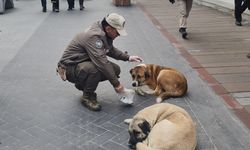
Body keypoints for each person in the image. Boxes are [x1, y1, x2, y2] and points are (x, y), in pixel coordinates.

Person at [56, 13, 143, 111]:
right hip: (69, 67)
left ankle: (83, 84)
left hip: (82, 62)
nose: (118, 35)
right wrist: (117, 85)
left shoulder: (103, 31)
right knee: (95, 70)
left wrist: (128, 57)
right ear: (109, 28)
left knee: (115, 69)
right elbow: (102, 63)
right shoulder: (93, 36)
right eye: (117, 32)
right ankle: (87, 97)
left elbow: (110, 50)